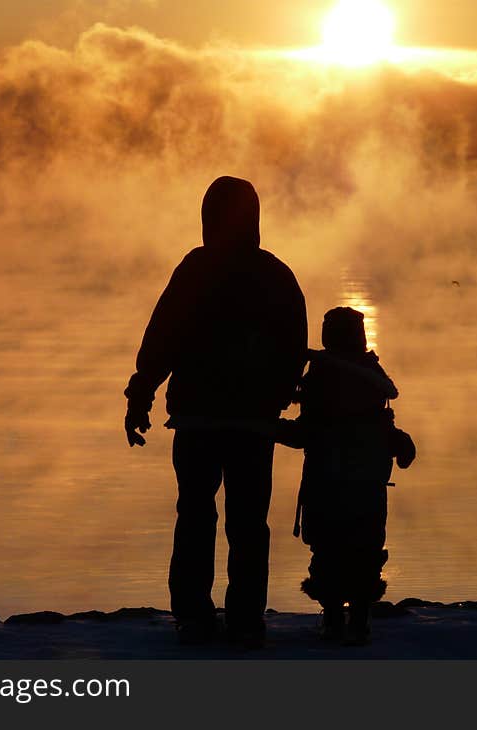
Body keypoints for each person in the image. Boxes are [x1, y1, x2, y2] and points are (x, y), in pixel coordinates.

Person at [124, 176, 308, 647]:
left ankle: (194, 616)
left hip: (199, 419)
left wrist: (141, 394)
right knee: (247, 522)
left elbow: (162, 336)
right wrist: (279, 395)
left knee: (196, 516)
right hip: (248, 423)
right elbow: (293, 347)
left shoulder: (195, 269)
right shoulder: (276, 275)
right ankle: (245, 619)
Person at [278, 307, 415, 645]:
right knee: (365, 548)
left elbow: (306, 433)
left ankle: (336, 619)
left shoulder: (320, 375)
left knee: (327, 549)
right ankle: (357, 619)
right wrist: (399, 442)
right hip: (366, 484)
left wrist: (265, 428)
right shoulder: (370, 373)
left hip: (326, 482)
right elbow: (381, 425)